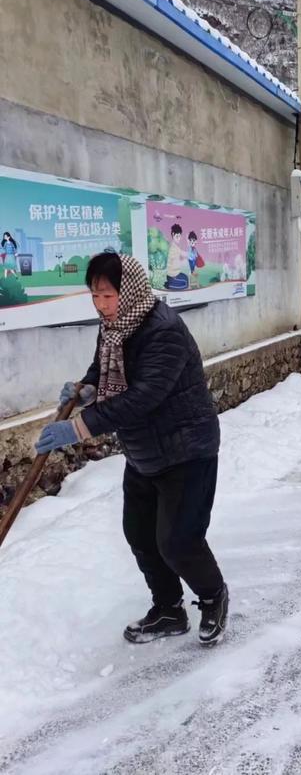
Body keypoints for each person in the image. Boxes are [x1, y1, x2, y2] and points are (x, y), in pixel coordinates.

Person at [35, 252, 227, 647]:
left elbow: (143, 397)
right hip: (144, 450)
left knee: (178, 540)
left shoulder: (163, 331)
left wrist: (78, 427)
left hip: (187, 449)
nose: (102, 305)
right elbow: (102, 372)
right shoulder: (113, 326)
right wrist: (85, 389)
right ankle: (169, 609)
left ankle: (213, 597)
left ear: (131, 290)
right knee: (139, 533)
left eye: (108, 295)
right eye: (95, 296)